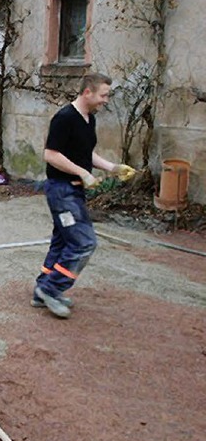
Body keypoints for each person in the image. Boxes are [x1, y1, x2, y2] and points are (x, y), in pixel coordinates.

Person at [33, 73, 136, 318]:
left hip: (74, 191)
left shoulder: (89, 119)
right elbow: (51, 155)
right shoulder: (64, 118)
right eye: (103, 95)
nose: (106, 100)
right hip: (62, 191)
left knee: (63, 241)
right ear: (87, 92)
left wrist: (112, 167)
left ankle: (41, 292)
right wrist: (83, 174)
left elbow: (84, 153)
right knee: (84, 242)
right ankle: (51, 289)